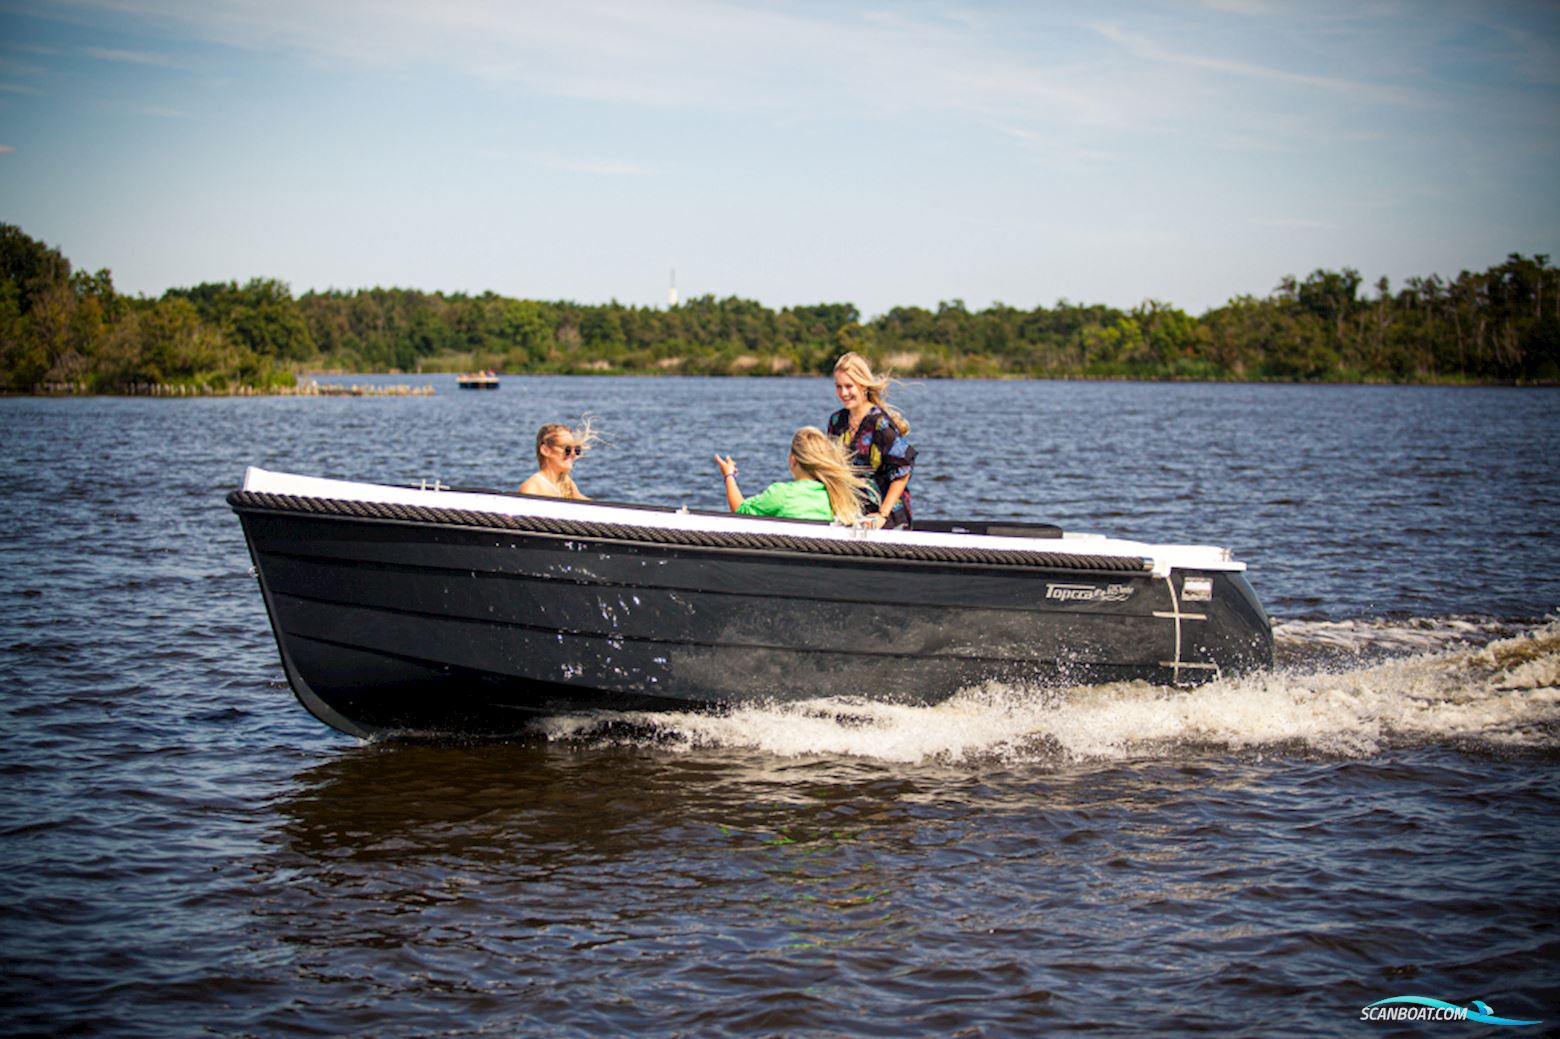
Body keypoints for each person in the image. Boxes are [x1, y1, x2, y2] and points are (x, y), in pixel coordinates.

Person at [827, 352, 917, 529]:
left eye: (849, 386)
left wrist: (882, 515)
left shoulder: (880, 424)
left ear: (863, 386)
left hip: (886, 515)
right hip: (852, 512)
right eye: (839, 387)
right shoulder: (836, 421)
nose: (843, 393)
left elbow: (903, 471)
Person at [715, 427, 870, 524]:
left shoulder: (782, 494)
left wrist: (728, 476)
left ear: (793, 460)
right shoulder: (834, 496)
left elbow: (740, 511)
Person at [519, 420, 596, 499]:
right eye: (567, 449)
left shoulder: (566, 483)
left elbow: (590, 506)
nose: (573, 454)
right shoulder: (531, 488)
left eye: (577, 449)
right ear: (545, 450)